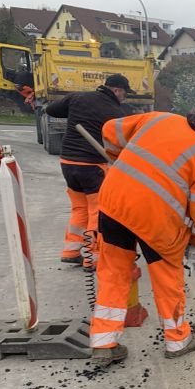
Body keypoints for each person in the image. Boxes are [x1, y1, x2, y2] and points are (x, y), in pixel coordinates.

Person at [89, 111, 195, 367]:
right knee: (168, 278)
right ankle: (178, 341)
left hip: (114, 204)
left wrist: (117, 158)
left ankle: (103, 343)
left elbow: (110, 129)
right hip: (157, 220)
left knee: (113, 273)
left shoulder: (161, 118)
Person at [45, 74, 133, 269]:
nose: (124, 99)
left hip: (68, 162)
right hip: (92, 165)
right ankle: (92, 257)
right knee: (96, 211)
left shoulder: (77, 97)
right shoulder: (116, 111)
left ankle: (71, 250)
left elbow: (51, 109)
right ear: (117, 90)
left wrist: (75, 111)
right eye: (124, 94)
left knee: (79, 208)